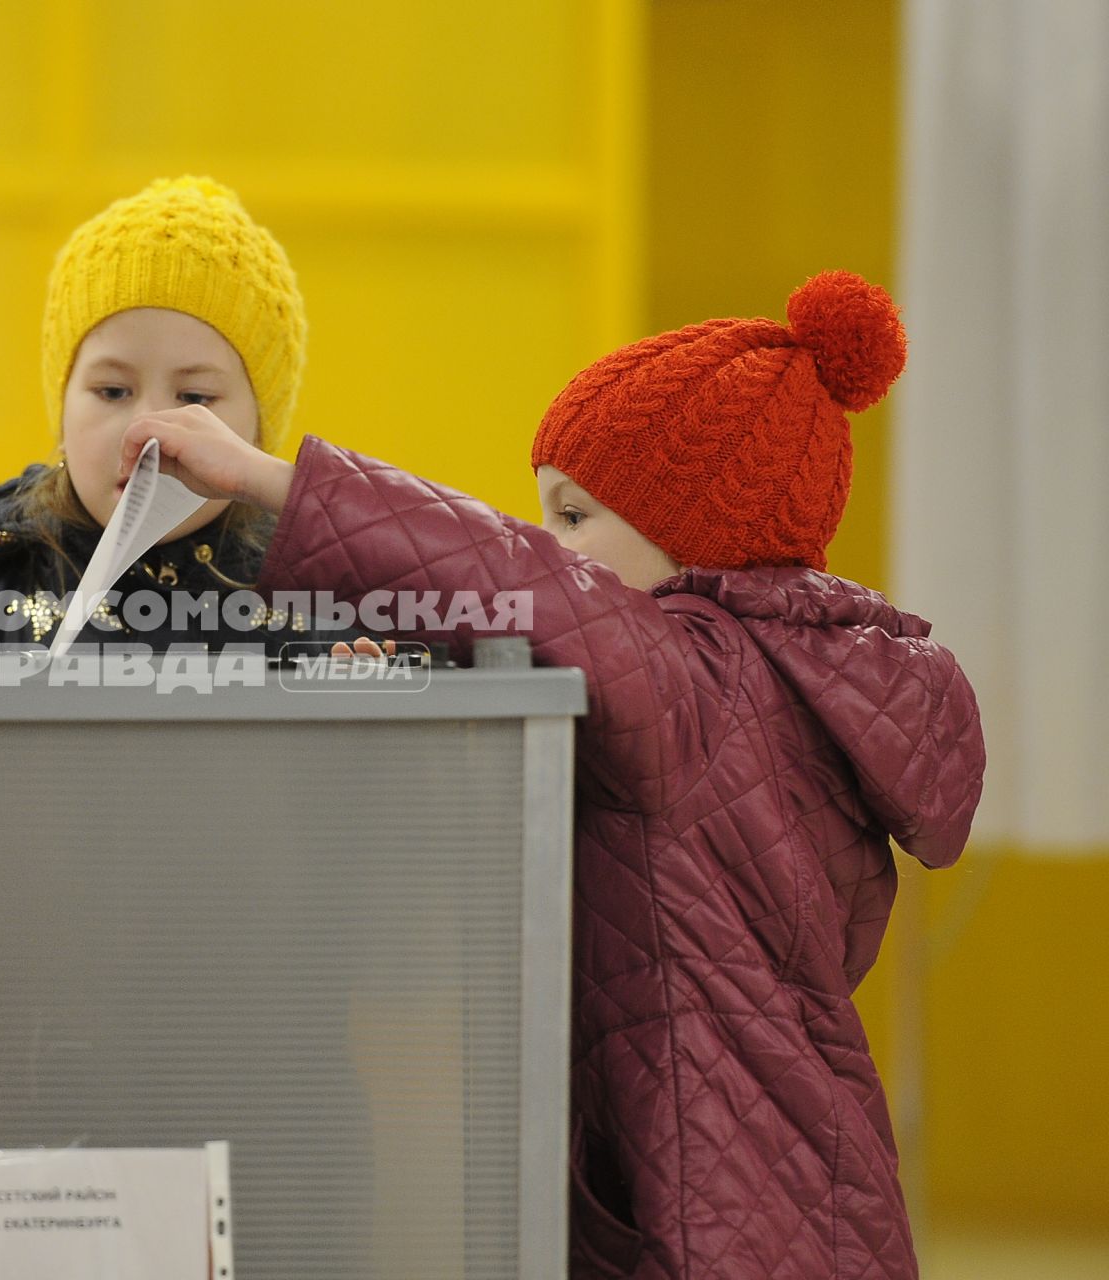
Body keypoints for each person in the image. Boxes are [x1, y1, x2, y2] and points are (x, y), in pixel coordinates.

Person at [114, 271, 985, 1279]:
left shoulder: (698, 683)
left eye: (575, 517)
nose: (559, 547)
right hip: (778, 1182)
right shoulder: (775, 688)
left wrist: (267, 477)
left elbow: (518, 583)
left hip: (725, 1209)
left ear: (695, 526)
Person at [0, 175, 351, 652]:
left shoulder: (330, 612)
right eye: (113, 391)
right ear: (63, 410)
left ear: (258, 432)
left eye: (194, 398)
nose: (148, 431)